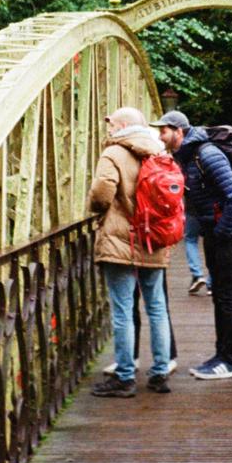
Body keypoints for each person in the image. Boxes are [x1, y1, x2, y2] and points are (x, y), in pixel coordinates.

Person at [152, 110, 232, 380]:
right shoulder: (186, 156)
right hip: (217, 229)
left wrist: (222, 232)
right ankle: (220, 356)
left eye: (163, 131)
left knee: (227, 295)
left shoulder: (207, 154)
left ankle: (229, 361)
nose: (160, 136)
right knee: (219, 293)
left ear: (179, 131)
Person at [86, 106, 172, 397]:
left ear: (122, 126)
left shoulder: (113, 153)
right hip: (154, 238)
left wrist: (97, 211)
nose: (109, 129)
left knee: (123, 310)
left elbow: (102, 193)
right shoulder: (160, 152)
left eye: (111, 124)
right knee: (157, 307)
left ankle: (124, 376)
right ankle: (160, 373)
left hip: (119, 240)